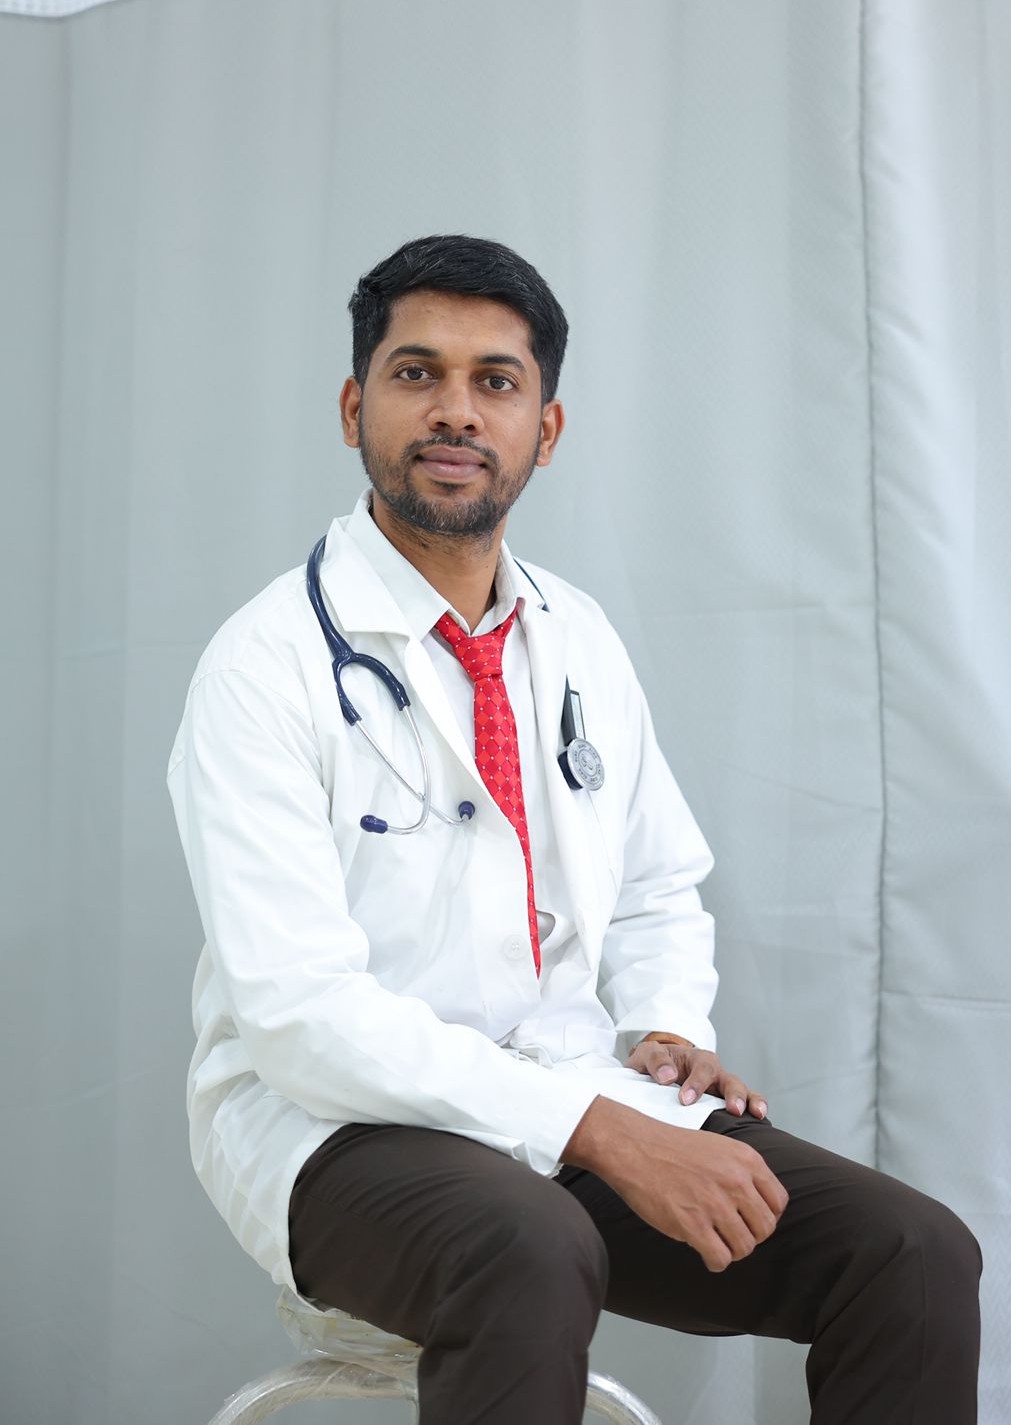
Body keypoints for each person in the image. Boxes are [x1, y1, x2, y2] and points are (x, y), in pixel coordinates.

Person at [167, 234, 981, 1424]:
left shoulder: (576, 636)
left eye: (495, 381)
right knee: (528, 1246)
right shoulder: (265, 664)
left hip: (572, 1100)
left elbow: (658, 884)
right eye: (415, 375)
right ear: (355, 408)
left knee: (909, 1255)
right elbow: (300, 1020)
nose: (455, 412)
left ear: (545, 429)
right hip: (339, 1131)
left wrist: (661, 1025)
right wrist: (599, 1130)